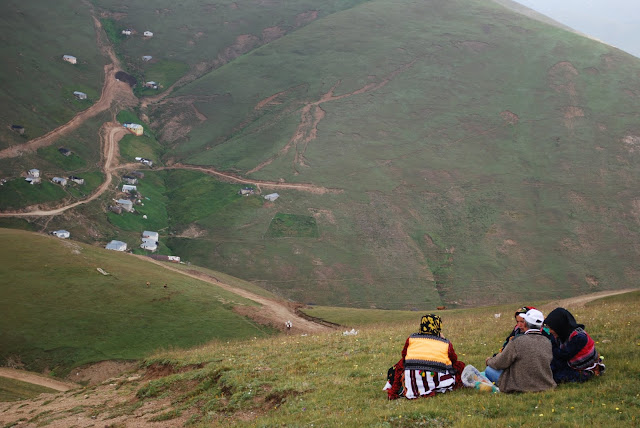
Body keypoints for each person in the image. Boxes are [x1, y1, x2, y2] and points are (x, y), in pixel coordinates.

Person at [387, 314, 465, 400]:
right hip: (433, 377)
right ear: (438, 326)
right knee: (459, 366)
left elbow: (404, 355)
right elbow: (453, 359)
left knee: (400, 364)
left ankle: (407, 387)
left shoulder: (411, 338)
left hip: (412, 378)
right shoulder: (445, 343)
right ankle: (434, 386)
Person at [485, 309, 556, 393]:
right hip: (545, 384)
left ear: (525, 323)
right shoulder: (547, 341)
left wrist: (489, 361)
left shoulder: (517, 341)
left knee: (489, 370)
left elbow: (500, 363)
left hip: (520, 386)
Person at [544, 307, 605, 383]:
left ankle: (589, 373)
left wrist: (550, 345)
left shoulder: (579, 337)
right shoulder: (562, 335)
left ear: (560, 327)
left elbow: (562, 356)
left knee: (556, 376)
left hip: (581, 367)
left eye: (551, 328)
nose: (550, 331)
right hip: (568, 363)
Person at [484, 305, 535, 383]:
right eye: (517, 321)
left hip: (522, 377)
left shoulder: (532, 337)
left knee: (488, 371)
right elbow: (505, 350)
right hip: (521, 372)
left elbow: (505, 359)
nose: (519, 325)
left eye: (522, 321)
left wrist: (490, 361)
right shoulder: (517, 330)